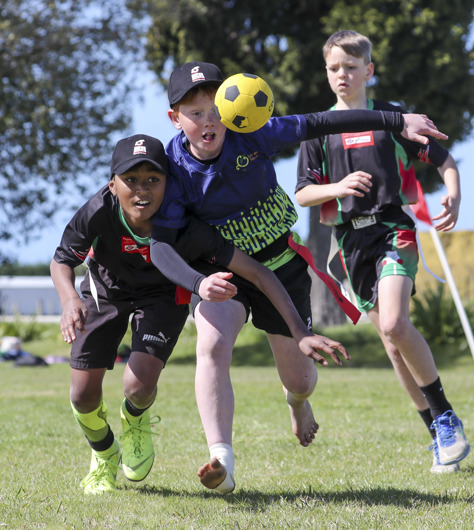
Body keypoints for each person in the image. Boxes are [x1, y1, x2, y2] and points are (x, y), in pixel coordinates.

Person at [149, 60, 449, 494]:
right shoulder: (173, 171)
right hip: (222, 270)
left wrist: (398, 119)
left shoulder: (253, 133)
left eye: (214, 109)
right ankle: (222, 458)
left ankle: (298, 404)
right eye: (195, 114)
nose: (208, 121)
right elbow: (159, 243)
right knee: (212, 344)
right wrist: (197, 284)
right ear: (175, 118)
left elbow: (321, 122)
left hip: (282, 265)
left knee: (301, 380)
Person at [50, 133, 349, 495]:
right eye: (130, 180)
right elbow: (62, 259)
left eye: (153, 180)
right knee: (82, 395)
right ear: (112, 184)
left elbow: (257, 271)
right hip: (106, 291)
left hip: (162, 295)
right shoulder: (98, 210)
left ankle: (135, 421)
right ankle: (104, 454)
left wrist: (300, 332)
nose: (141, 190)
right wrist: (69, 301)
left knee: (138, 385)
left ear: (168, 183)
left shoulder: (185, 226)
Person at [296, 30, 469, 474]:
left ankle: (446, 415)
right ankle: (436, 434)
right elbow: (303, 194)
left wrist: (453, 193)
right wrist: (337, 187)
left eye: (351, 67)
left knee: (394, 322)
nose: (341, 75)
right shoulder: (316, 129)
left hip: (394, 230)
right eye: (334, 68)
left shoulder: (392, 118)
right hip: (351, 243)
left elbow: (445, 160)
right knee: (394, 347)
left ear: (368, 71)